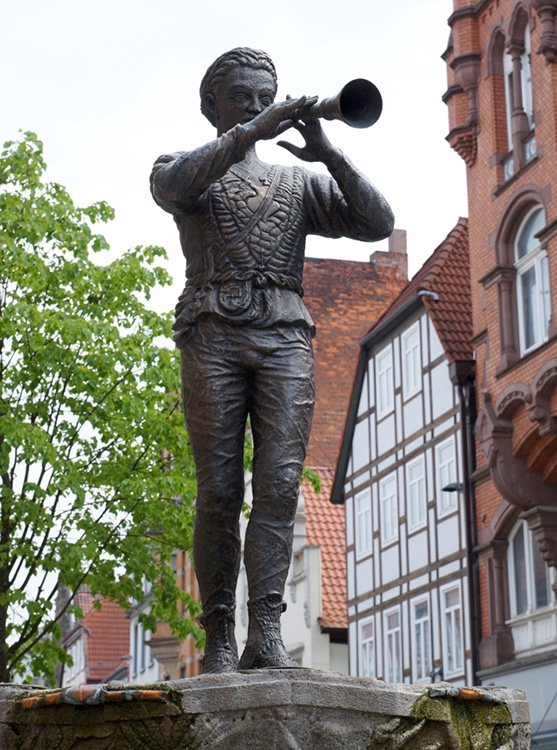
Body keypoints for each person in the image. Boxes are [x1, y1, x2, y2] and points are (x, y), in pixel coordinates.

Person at [150, 47, 394, 674]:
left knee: (281, 484)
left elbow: (377, 222)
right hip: (213, 333)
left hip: (286, 335)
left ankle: (265, 630)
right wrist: (250, 132)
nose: (257, 106)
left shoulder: (297, 183)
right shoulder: (183, 168)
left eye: (266, 97)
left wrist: (329, 153)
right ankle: (218, 636)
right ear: (212, 106)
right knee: (219, 489)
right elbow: (174, 188)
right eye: (242, 97)